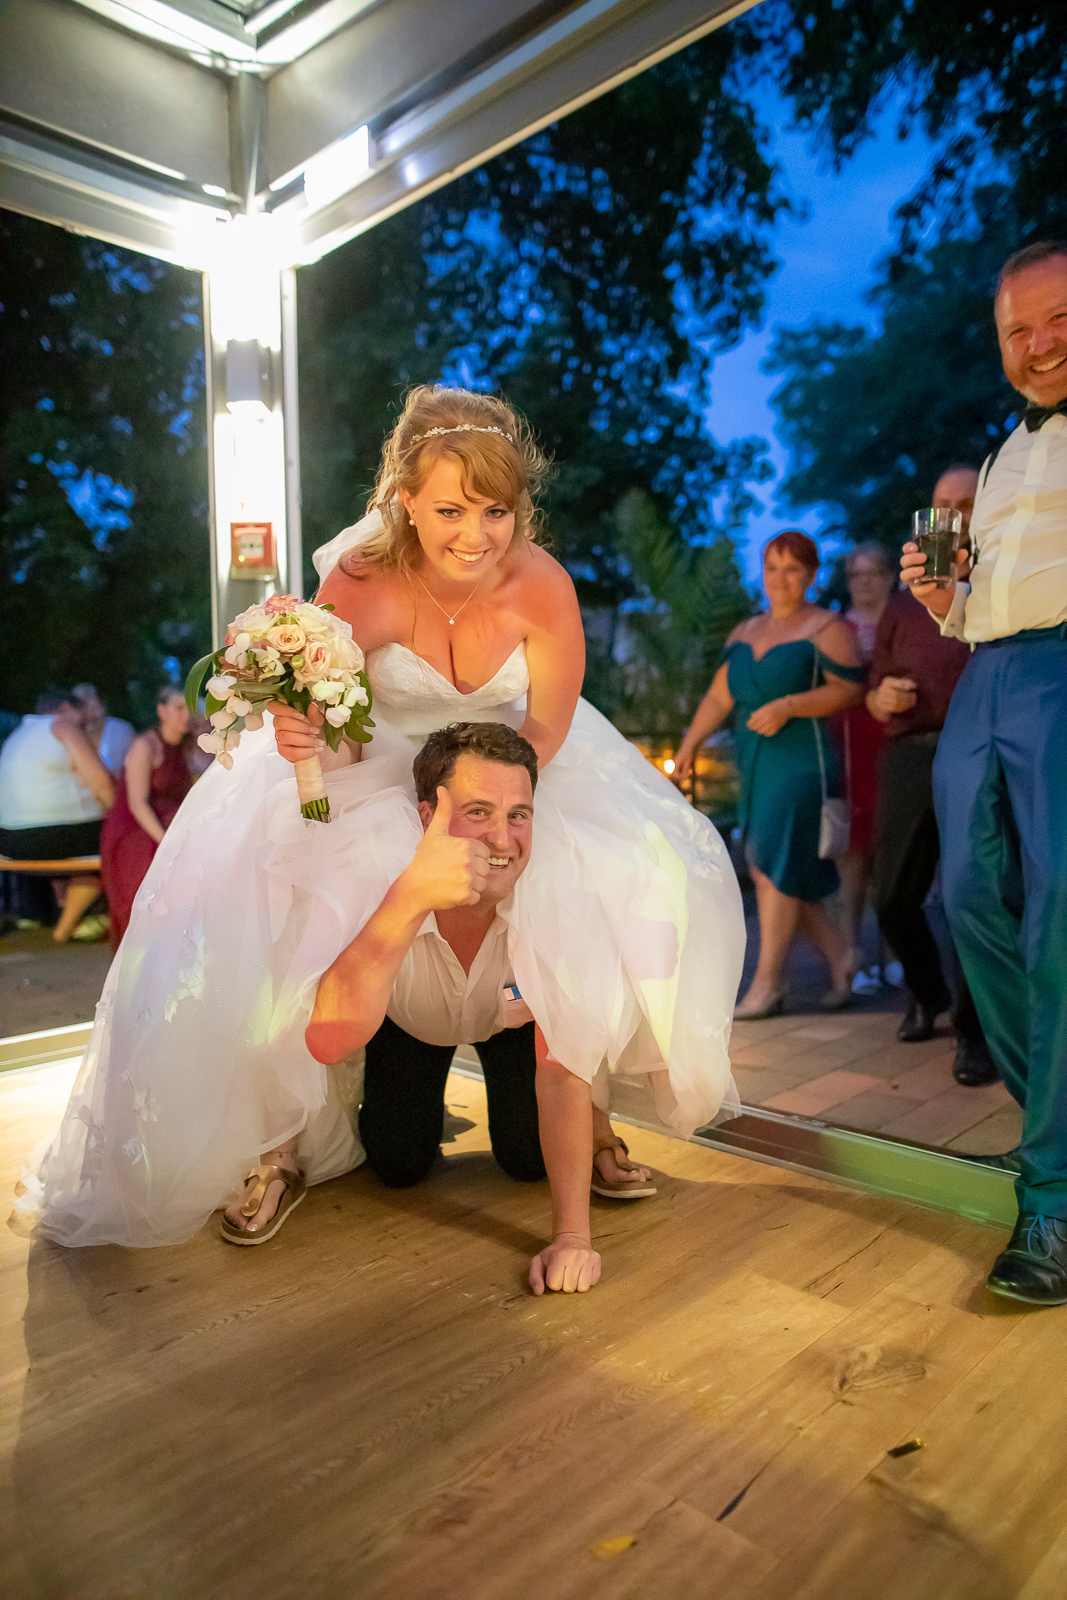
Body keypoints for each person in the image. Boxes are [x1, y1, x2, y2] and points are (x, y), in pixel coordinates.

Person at [19, 386, 745, 1273]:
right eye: (450, 510)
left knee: (608, 877)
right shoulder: (360, 579)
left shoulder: (543, 582)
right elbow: (342, 726)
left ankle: (586, 1118)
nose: (474, 535)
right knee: (290, 891)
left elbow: (548, 725)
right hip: (383, 775)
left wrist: (485, 807)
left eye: (495, 510)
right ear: (405, 500)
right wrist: (304, 733)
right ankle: (279, 1147)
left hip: (514, 764)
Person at [287, 722, 642, 1293]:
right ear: (427, 817)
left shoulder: (555, 895)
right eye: (478, 812)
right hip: (406, 1026)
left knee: (528, 1161)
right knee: (397, 1165)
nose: (502, 839)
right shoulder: (374, 876)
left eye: (518, 815)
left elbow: (561, 1074)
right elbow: (327, 1042)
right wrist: (409, 898)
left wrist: (573, 1238)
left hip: (510, 1030)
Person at [901, 241, 1067, 1305]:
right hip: (986, 672)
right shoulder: (1001, 455)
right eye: (1017, 329)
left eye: (1057, 320)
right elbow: (982, 603)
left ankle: (1049, 1196)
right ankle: (1053, 1116)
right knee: (961, 897)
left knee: (1057, 918)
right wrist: (940, 601)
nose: (1038, 344)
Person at [676, 531, 864, 1018]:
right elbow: (720, 696)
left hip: (804, 762)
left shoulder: (826, 627)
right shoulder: (745, 631)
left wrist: (789, 705)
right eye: (772, 568)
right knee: (771, 868)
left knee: (772, 870)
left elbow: (850, 690)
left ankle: (767, 985)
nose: (780, 579)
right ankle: (842, 957)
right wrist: (690, 744)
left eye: (793, 569)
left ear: (812, 574)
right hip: (756, 761)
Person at [868, 467, 996, 1086]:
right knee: (892, 896)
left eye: (966, 503)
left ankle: (976, 1033)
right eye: (945, 504)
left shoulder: (1001, 585)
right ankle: (927, 992)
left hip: (980, 750)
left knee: (971, 896)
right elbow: (873, 686)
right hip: (911, 754)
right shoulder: (903, 602)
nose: (955, 514)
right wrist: (881, 697)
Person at [0, 690, 114, 941]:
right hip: (48, 836)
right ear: (65, 709)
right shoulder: (63, 727)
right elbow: (100, 781)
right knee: (119, 839)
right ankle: (66, 928)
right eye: (82, 712)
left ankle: (70, 916)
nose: (86, 719)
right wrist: (118, 813)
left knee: (89, 844)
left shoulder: (20, 732)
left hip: (10, 840)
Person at [834, 543, 896, 974]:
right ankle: (849, 957)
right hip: (851, 746)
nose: (864, 582)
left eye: (873, 572)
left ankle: (895, 954)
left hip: (895, 742)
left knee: (893, 853)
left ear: (890, 577)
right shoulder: (838, 628)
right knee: (853, 856)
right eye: (856, 574)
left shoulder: (905, 621)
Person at [100, 687, 196, 950]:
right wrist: (166, 842)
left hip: (171, 825)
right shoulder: (145, 745)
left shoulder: (188, 746)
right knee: (149, 893)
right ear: (161, 711)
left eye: (190, 708)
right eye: (179, 708)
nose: (186, 715)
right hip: (137, 829)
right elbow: (137, 803)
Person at [71, 684, 136, 778]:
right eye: (84, 709)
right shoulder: (70, 732)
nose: (90, 714)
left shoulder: (120, 729)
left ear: (103, 706)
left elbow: (130, 767)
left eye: (95, 708)